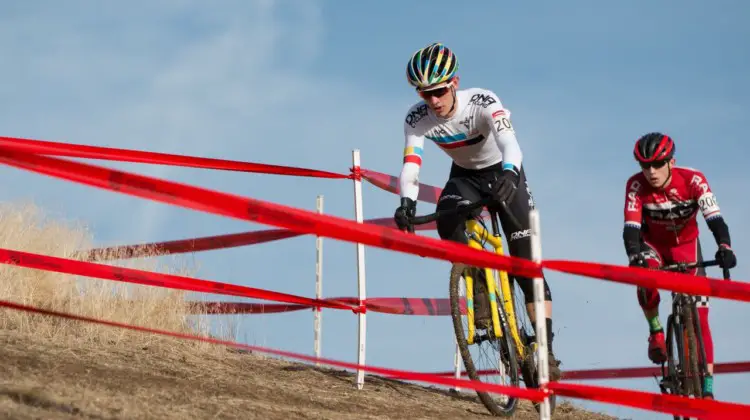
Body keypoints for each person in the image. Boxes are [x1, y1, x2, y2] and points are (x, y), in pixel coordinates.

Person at [392, 42, 561, 380]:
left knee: (526, 266)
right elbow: (411, 165)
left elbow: (511, 143)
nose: (434, 100)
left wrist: (511, 174)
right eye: (425, 94)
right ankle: (481, 281)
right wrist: (406, 203)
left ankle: (547, 350)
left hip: (503, 172)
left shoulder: (482, 102)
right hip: (465, 178)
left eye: (439, 91)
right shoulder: (416, 118)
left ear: (454, 82)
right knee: (447, 219)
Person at [623, 132, 737, 399]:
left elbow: (715, 219)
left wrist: (725, 247)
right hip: (654, 247)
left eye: (657, 164)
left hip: (687, 247)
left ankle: (707, 387)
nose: (650, 172)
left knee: (703, 318)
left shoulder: (694, 180)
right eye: (644, 165)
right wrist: (633, 256)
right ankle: (656, 331)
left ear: (671, 162)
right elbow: (630, 228)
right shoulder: (636, 186)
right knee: (645, 274)